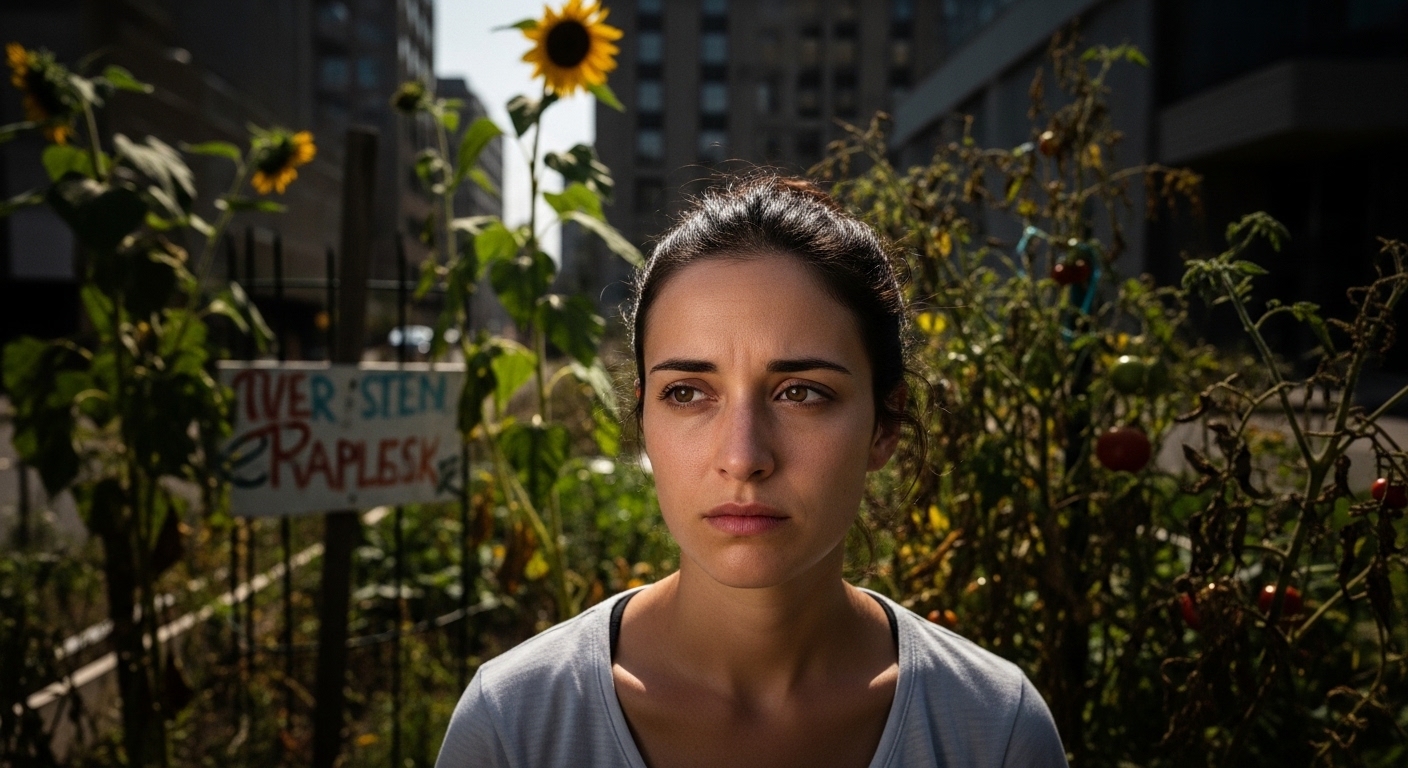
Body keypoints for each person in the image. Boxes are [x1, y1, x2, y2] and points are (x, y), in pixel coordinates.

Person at [435, 176, 1068, 767]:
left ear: (886, 425)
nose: (742, 457)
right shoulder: (512, 726)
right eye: (687, 392)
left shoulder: (995, 730)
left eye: (801, 392)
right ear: (643, 421)